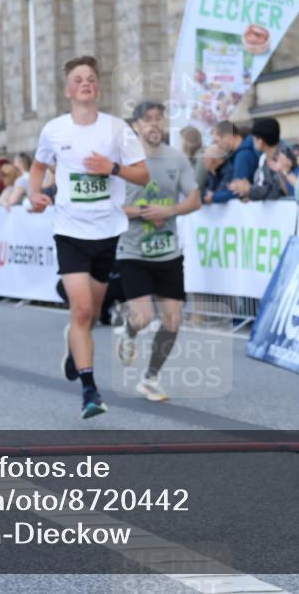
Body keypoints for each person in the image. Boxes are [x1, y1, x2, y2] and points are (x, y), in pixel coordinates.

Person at [28, 55, 149, 419]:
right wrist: (35, 193)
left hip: (107, 231)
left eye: (91, 78)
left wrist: (111, 168)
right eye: (78, 79)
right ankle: (89, 391)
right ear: (68, 90)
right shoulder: (54, 130)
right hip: (69, 231)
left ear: (98, 87)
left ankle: (73, 344)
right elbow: (37, 166)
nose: (85, 83)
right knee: (81, 309)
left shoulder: (117, 130)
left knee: (92, 314)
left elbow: (142, 175)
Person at [114, 102, 201, 401]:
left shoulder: (176, 158)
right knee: (143, 316)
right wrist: (139, 212)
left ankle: (150, 378)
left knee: (173, 320)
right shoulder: (123, 161)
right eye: (147, 120)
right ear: (136, 125)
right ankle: (129, 331)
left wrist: (170, 209)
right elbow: (109, 206)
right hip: (133, 251)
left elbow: (195, 199)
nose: (154, 125)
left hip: (168, 252)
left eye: (158, 120)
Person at [229, 118, 293, 201]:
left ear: (261, 141)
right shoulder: (263, 158)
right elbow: (262, 186)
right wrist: (248, 194)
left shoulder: (283, 156)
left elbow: (277, 191)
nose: (252, 141)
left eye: (254, 138)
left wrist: (249, 190)